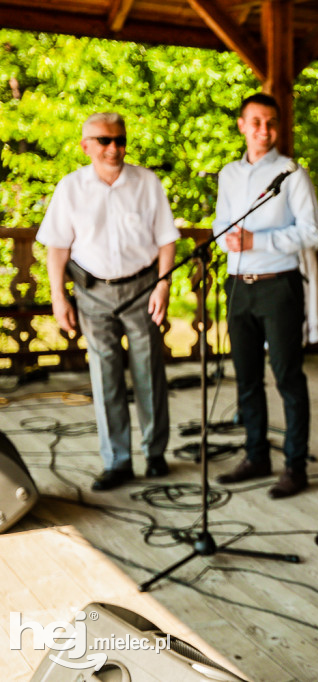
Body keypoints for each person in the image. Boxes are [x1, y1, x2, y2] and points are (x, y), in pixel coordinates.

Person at [37, 112, 178, 492]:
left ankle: (155, 453)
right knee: (105, 378)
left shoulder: (147, 183)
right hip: (92, 293)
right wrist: (58, 298)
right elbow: (57, 248)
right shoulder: (70, 188)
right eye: (103, 140)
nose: (113, 147)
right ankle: (117, 461)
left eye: (119, 140)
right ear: (86, 146)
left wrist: (163, 285)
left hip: (143, 289)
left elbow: (167, 240)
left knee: (149, 373)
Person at [213, 93, 318, 499]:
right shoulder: (228, 173)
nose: (265, 129)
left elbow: (312, 232)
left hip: (279, 285)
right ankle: (256, 454)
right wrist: (226, 238)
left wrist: (256, 239)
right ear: (241, 124)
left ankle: (296, 465)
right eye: (256, 121)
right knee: (246, 378)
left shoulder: (293, 172)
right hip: (239, 284)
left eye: (271, 122)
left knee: (288, 377)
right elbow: (221, 222)